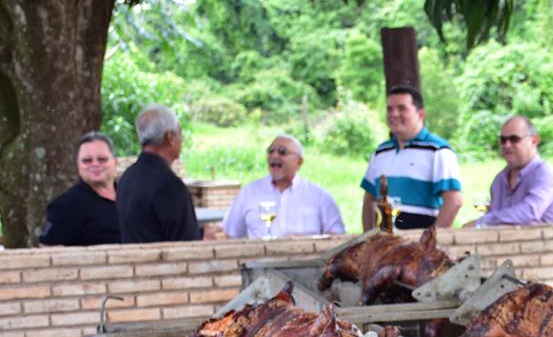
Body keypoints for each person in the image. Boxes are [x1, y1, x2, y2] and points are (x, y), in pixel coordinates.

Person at [360, 85, 462, 231]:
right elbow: (369, 199)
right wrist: (368, 238)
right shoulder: (380, 152)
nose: (394, 114)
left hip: (419, 242)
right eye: (390, 109)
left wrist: (431, 239)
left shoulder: (438, 151)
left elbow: (454, 201)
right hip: (384, 242)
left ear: (421, 114)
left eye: (402, 108)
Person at [222, 135, 344, 239]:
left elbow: (338, 238)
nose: (274, 156)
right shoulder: (249, 192)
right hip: (259, 259)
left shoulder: (319, 196)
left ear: (299, 162)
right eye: (270, 151)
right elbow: (230, 235)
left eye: (282, 152)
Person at [116, 104, 202, 243]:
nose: (182, 141)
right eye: (180, 133)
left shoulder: (127, 177)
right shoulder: (169, 185)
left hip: (132, 256)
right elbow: (187, 244)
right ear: (170, 137)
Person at [466, 116, 553, 227]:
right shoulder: (499, 180)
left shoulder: (546, 175)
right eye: (503, 140)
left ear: (534, 141)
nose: (507, 145)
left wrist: (481, 222)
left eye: (514, 139)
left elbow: (528, 213)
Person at [38, 131, 122, 246]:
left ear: (115, 162)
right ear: (78, 166)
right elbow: (47, 250)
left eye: (102, 159)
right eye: (87, 160)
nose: (95, 164)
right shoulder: (65, 206)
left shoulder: (130, 196)